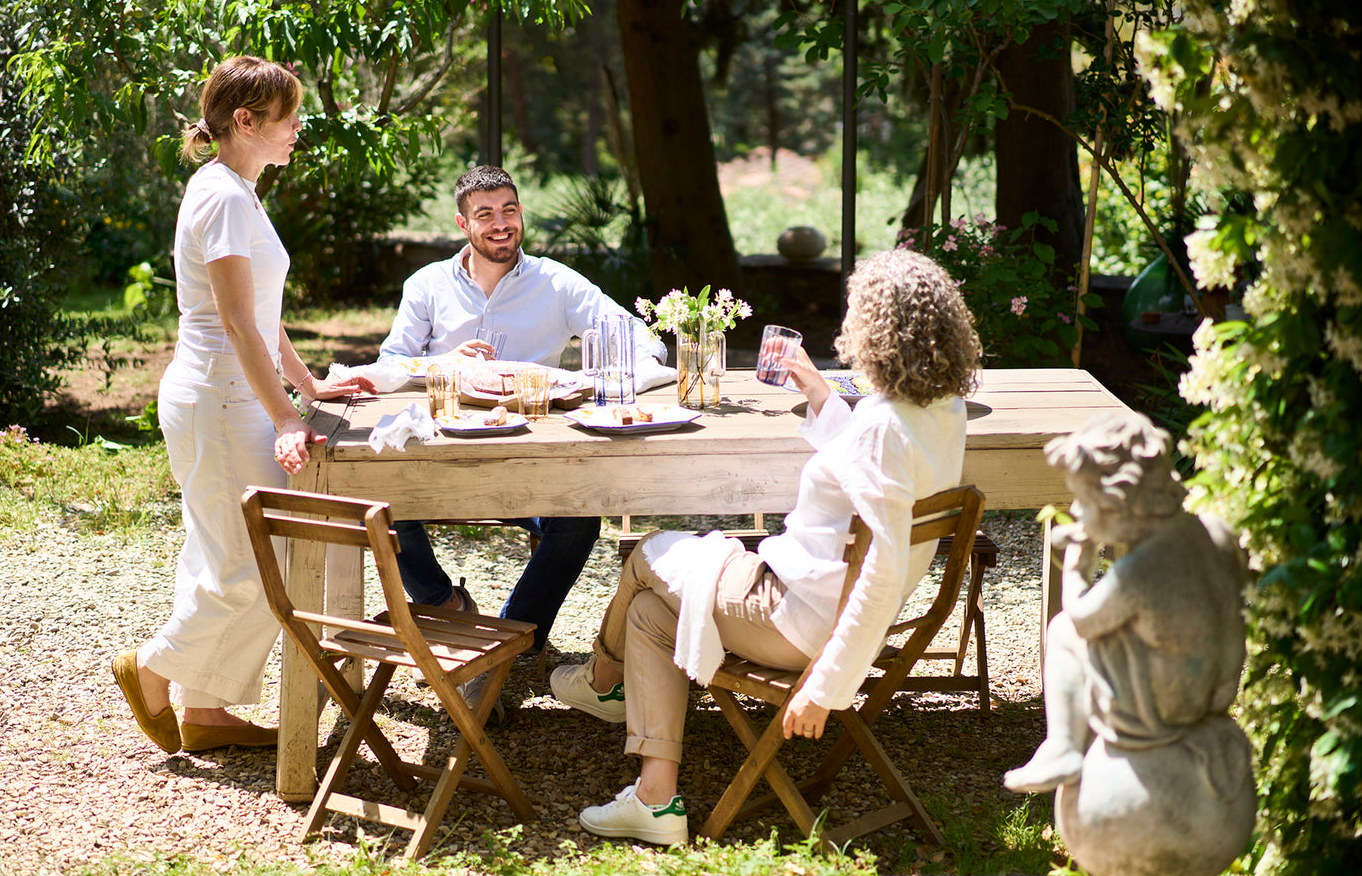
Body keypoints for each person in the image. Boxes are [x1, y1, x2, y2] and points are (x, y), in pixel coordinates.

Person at [550, 248, 981, 845]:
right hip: (810, 599)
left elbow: (878, 573)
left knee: (645, 555)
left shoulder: (884, 427)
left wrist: (827, 687)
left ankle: (600, 680)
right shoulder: (939, 408)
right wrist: (813, 384)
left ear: (877, 327)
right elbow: (867, 457)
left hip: (799, 616)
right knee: (650, 615)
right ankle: (656, 798)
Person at [111, 55, 375, 755]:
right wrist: (288, 416)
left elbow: (263, 310)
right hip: (223, 402)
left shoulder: (233, 189)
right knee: (262, 564)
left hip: (226, 398)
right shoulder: (225, 196)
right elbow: (235, 321)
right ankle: (154, 665)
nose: (297, 131)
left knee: (219, 555)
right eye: (287, 119)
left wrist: (309, 385)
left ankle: (208, 712)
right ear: (245, 121)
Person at [377, 164, 665, 665]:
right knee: (380, 505)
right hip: (443, 456)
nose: (500, 223)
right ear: (463, 224)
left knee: (579, 520)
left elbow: (636, 337)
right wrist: (442, 364)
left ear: (521, 214)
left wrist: (620, 374)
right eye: (484, 214)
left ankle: (510, 639)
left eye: (509, 210)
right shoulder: (425, 285)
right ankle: (444, 605)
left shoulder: (556, 282)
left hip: (532, 460)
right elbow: (390, 365)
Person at [1003, 411, 1248, 794]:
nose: (1078, 512)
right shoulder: (1216, 531)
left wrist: (1076, 566)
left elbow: (1082, 618)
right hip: (1214, 693)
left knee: (1064, 630)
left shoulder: (1140, 571)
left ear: (1121, 502)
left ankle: (1062, 746)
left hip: (1166, 710)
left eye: (1084, 502)